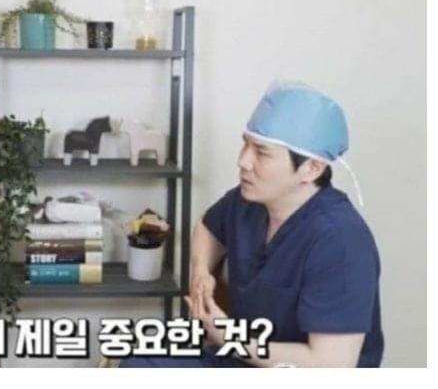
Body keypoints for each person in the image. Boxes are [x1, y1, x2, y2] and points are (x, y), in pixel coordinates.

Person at [121, 81, 383, 367]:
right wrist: (201, 272)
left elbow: (330, 366)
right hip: (242, 356)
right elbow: (208, 228)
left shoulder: (340, 242)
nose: (243, 161)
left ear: (311, 168)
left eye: (262, 152)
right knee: (136, 362)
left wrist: (227, 336)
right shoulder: (249, 200)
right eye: (245, 144)